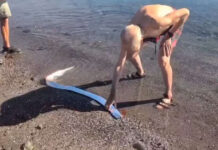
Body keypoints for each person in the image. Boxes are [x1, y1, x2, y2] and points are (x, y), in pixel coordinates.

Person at [105, 4, 190, 111]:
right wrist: (112, 93)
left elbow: (186, 12)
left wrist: (169, 35)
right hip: (147, 28)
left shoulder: (160, 22)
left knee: (163, 60)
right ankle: (140, 72)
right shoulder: (129, 31)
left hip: (172, 25)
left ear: (142, 39)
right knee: (130, 53)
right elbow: (119, 65)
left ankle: (168, 94)